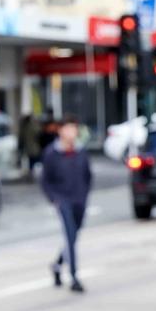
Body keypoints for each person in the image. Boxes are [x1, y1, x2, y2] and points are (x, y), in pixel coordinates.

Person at [39, 115, 92, 293]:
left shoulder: (81, 151)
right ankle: (74, 276)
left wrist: (84, 196)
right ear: (60, 131)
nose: (71, 132)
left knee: (74, 235)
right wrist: (54, 199)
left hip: (79, 200)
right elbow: (45, 180)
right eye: (68, 128)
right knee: (69, 237)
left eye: (73, 128)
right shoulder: (51, 153)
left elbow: (87, 176)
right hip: (63, 201)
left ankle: (56, 265)